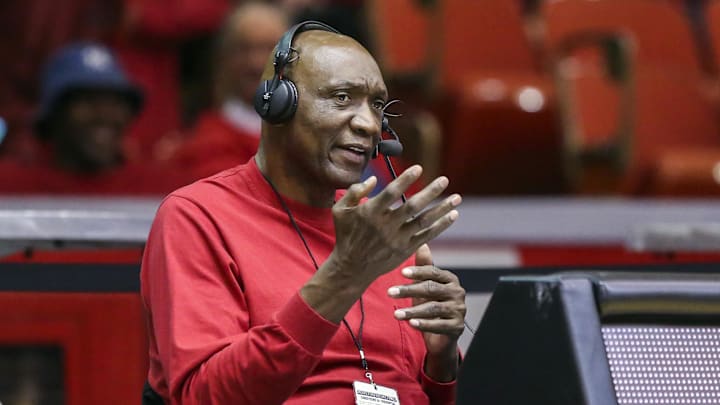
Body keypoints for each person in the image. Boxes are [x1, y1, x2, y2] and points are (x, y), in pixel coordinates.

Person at [140, 21, 466, 404]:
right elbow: (207, 396)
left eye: (377, 105)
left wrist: (441, 360)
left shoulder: (378, 227)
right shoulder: (197, 217)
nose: (368, 124)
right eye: (342, 98)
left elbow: (422, 395)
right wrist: (342, 276)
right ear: (278, 104)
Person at [0, 42, 187, 195]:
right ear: (53, 115)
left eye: (115, 103)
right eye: (87, 101)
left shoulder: (165, 189)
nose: (104, 115)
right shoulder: (11, 185)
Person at [167, 2, 289, 180]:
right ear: (225, 59)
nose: (255, 63)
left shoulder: (307, 136)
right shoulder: (207, 142)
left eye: (268, 48)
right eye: (244, 49)